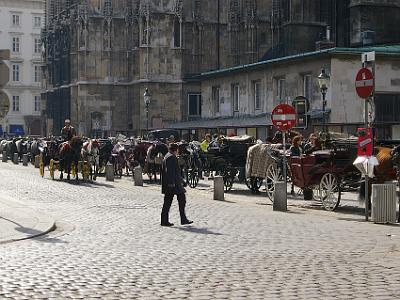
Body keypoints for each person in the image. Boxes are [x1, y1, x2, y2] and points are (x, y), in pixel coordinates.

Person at [160, 143, 193, 227]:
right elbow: (170, 172)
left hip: (173, 183)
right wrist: (172, 183)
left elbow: (175, 172)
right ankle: (181, 219)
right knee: (178, 200)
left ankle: (167, 220)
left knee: (169, 202)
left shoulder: (168, 155)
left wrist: (182, 181)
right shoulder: (171, 157)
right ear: (176, 149)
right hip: (173, 184)